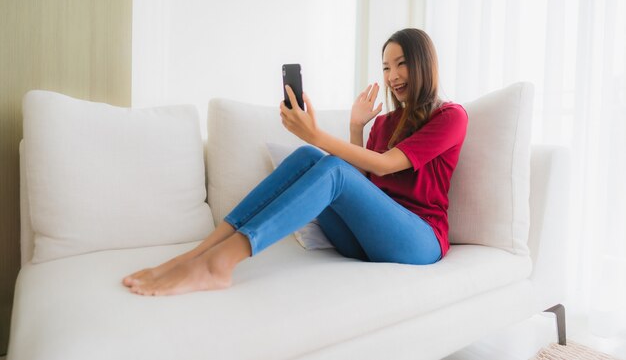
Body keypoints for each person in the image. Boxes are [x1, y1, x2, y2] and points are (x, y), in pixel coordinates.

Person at [122, 28, 468, 296]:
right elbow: (362, 181)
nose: (392, 76)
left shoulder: (450, 116)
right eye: (386, 67)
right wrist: (355, 127)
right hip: (364, 240)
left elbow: (385, 165)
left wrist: (317, 133)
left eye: (401, 63)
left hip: (418, 239)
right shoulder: (383, 124)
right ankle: (197, 254)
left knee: (330, 165)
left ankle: (220, 264)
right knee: (308, 156)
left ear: (423, 62)